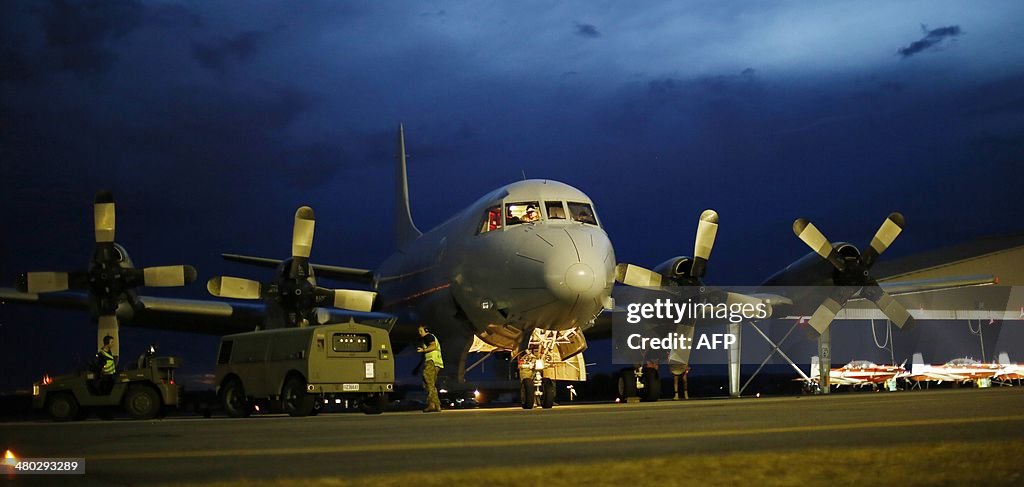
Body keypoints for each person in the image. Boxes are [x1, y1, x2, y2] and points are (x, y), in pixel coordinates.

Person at [416, 325, 443, 413]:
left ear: (425, 330)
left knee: (428, 382)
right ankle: (432, 405)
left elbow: (433, 346)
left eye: (421, 331)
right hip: (436, 362)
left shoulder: (428, 337)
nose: (419, 333)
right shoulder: (430, 337)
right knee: (428, 383)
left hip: (432, 361)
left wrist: (423, 350)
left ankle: (437, 404)